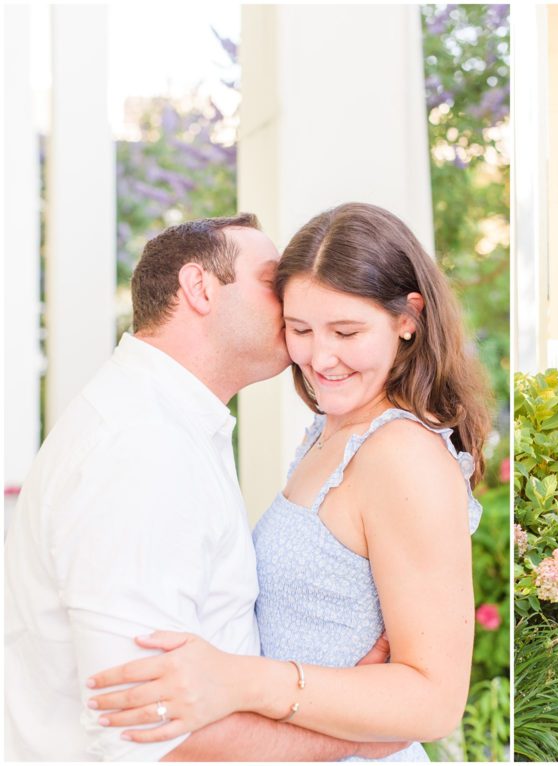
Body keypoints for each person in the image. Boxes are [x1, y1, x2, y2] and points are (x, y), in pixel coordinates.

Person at [85, 203, 491, 760]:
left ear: (407, 319)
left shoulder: (402, 455)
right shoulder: (332, 431)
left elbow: (435, 701)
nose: (320, 358)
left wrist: (243, 681)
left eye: (346, 331)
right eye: (299, 329)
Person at [5, 214, 404, 760]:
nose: (292, 299)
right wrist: (349, 740)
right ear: (199, 288)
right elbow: (145, 733)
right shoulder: (140, 448)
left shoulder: (165, 424)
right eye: (272, 281)